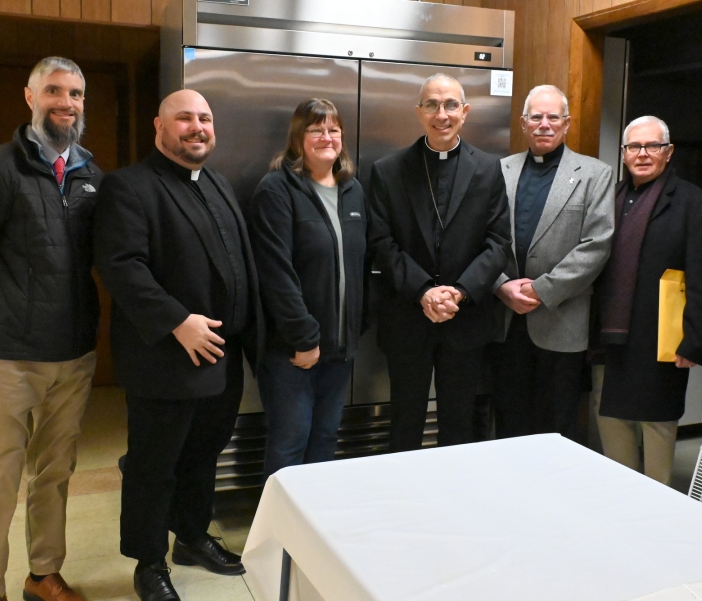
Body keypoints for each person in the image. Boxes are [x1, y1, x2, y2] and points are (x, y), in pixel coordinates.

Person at [0, 56, 100, 601]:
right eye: (54, 90)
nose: (66, 102)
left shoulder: (90, 176)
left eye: (75, 94)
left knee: (55, 473)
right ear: (29, 98)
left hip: (74, 356)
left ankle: (42, 575)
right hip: (9, 359)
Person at [93, 89, 263, 601]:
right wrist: (176, 322)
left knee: (203, 455)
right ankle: (149, 562)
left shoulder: (217, 183)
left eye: (205, 118)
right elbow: (121, 266)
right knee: (154, 464)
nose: (197, 127)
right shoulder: (128, 186)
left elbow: (242, 266)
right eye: (184, 118)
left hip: (222, 355)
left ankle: (191, 536)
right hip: (167, 357)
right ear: (159, 128)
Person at [367, 73, 511, 452]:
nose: (441, 113)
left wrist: (459, 292)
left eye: (450, 105)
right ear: (419, 112)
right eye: (431, 104)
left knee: (458, 425)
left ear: (465, 112)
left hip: (465, 321)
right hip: (407, 318)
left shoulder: (488, 168)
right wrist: (424, 292)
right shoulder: (388, 170)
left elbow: (498, 243)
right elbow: (382, 242)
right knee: (405, 423)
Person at [246, 99, 368, 479]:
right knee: (290, 441)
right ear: (298, 138)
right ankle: (278, 537)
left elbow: (361, 265)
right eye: (315, 130)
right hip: (293, 351)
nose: (326, 137)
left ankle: (312, 531)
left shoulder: (353, 190)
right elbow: (275, 273)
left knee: (325, 438)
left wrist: (353, 330)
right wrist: (303, 337)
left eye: (333, 129)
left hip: (339, 347)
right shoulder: (277, 190)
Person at [487, 84, 615, 443]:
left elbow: (597, 244)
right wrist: (499, 285)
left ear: (567, 123)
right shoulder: (500, 170)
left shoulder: (594, 174)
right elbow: (478, 236)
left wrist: (542, 290)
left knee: (556, 429)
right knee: (508, 422)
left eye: (552, 117)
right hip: (506, 323)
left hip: (561, 322)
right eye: (536, 117)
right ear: (524, 123)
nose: (544, 124)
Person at [597, 116, 702, 485]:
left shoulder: (694, 204)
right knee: (612, 422)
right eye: (634, 147)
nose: (643, 154)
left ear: (668, 153)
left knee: (657, 426)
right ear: (623, 154)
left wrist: (694, 343)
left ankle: (658, 511)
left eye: (652, 146)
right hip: (612, 335)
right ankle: (622, 504)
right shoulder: (610, 199)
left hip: (662, 338)